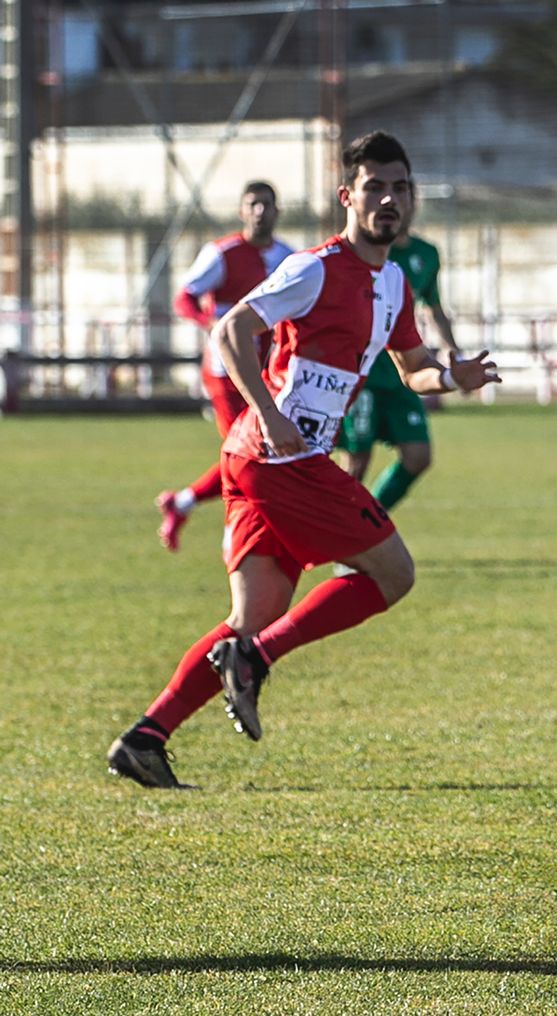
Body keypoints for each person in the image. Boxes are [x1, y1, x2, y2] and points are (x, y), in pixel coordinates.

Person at [105, 132, 500, 790]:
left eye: (400, 188)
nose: (389, 200)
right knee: (393, 575)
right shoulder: (316, 268)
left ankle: (146, 737)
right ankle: (255, 659)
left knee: (251, 615)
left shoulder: (394, 283)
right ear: (348, 197)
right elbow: (233, 329)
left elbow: (412, 371)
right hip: (276, 457)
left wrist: (452, 375)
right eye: (375, 188)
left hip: (261, 460)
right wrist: (269, 411)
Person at [155, 181, 293, 551]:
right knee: (249, 450)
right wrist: (212, 323)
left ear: (278, 210)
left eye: (267, 203)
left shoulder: (289, 256)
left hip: (270, 370)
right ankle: (239, 532)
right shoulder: (222, 253)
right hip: (224, 369)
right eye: (253, 204)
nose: (261, 211)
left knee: (256, 449)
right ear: (242, 211)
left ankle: (182, 503)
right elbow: (184, 297)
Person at [337, 227, 458, 510]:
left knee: (418, 455)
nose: (392, 200)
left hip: (402, 372)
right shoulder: (359, 252)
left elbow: (434, 307)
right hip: (363, 375)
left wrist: (453, 349)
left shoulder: (425, 254)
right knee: (356, 460)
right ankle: (334, 532)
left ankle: (368, 522)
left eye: (402, 190)